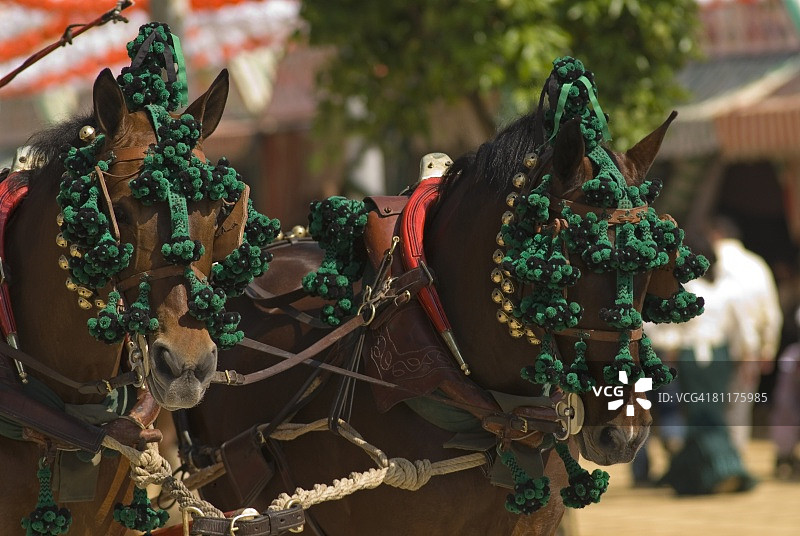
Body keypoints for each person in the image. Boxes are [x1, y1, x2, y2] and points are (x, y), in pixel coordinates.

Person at [648, 233, 759, 494]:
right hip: (718, 357)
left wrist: (669, 347)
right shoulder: (729, 288)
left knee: (703, 415)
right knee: (706, 414)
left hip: (693, 357)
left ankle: (721, 470)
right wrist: (748, 357)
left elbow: (664, 327)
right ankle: (699, 474)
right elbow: (744, 329)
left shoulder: (687, 289)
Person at [708, 217, 782, 452]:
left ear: (715, 235)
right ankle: (734, 461)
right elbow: (772, 313)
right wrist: (767, 349)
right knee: (738, 409)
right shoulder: (757, 265)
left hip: (711, 349)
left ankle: (715, 463)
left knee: (708, 408)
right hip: (748, 350)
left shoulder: (709, 262)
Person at [770, 307, 800, 479]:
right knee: (787, 413)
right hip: (792, 370)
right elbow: (785, 403)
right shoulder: (791, 357)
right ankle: (784, 456)